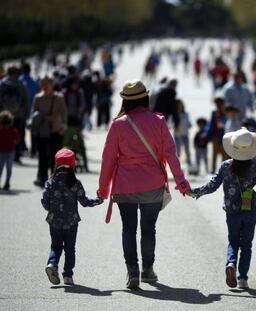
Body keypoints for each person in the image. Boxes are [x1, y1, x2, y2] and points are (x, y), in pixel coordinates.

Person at [97, 79, 191, 289]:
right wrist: (181, 182)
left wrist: (103, 189)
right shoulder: (157, 120)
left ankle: (132, 272)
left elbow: (108, 159)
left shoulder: (117, 124)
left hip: (124, 185)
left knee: (128, 229)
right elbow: (171, 154)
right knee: (149, 229)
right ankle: (147, 270)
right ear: (146, 98)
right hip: (152, 183)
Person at [187, 128, 256, 289]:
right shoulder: (255, 167)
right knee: (246, 245)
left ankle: (231, 263)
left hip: (231, 211)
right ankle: (243, 278)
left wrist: (193, 192)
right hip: (250, 209)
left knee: (233, 241)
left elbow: (212, 186)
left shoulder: (225, 166)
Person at [41, 148, 102, 286]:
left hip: (54, 221)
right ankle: (68, 275)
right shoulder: (75, 183)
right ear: (73, 164)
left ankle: (52, 264)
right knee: (70, 248)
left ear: (56, 164)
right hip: (71, 222)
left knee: (55, 246)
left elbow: (45, 204)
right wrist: (99, 200)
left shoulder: (50, 183)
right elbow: (85, 202)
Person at [32, 77, 67, 187]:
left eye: (47, 85)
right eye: (43, 85)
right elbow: (33, 113)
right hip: (42, 130)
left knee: (55, 156)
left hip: (55, 130)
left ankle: (55, 178)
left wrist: (64, 126)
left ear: (52, 85)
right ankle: (42, 178)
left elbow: (64, 113)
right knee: (42, 156)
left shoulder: (58, 98)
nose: (45, 87)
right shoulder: (38, 98)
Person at [0, 66, 28, 163]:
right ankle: (16, 155)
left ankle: (3, 153)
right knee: (17, 134)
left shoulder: (2, 83)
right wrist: (25, 112)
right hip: (18, 114)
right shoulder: (20, 84)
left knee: (3, 133)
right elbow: (25, 99)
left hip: (4, 114)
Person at [0, 110, 19, 190]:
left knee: (0, 168)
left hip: (1, 151)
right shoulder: (14, 131)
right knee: (9, 168)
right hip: (11, 151)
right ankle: (7, 183)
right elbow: (16, 141)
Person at [174, 99, 192, 167]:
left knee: (187, 149)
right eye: (178, 105)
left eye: (180, 105)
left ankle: (189, 163)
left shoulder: (186, 114)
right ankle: (177, 165)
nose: (179, 106)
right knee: (177, 151)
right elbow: (170, 124)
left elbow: (189, 123)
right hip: (177, 135)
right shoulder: (174, 115)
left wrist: (189, 125)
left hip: (185, 134)